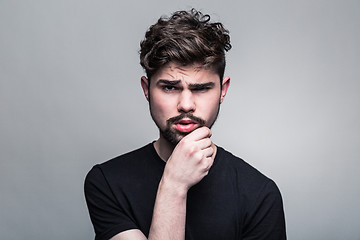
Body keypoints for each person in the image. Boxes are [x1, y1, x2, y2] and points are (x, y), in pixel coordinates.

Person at [84, 8, 286, 240]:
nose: (186, 105)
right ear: (146, 89)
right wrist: (174, 185)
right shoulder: (108, 182)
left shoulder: (259, 194)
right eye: (170, 87)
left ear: (223, 90)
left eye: (201, 88)